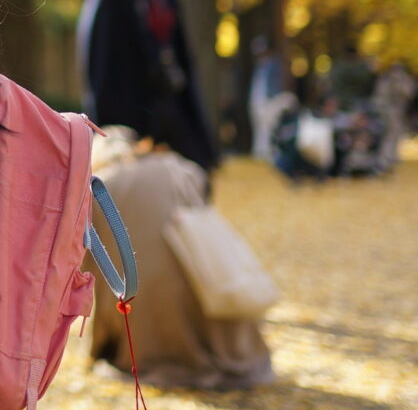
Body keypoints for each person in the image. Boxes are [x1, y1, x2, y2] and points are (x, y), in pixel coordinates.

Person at [84, 129, 275, 389]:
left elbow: (94, 265)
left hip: (144, 304)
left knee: (120, 286)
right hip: (204, 285)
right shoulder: (179, 168)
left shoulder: (102, 185)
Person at [77, 0, 220, 173]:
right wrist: (108, 133)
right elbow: (99, 71)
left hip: (171, 102)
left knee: (196, 170)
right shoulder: (109, 1)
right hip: (132, 112)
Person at [247, 37, 292, 163]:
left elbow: (275, 83)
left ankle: (267, 152)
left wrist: (273, 99)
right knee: (260, 127)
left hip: (268, 100)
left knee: (268, 127)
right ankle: (260, 152)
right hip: (257, 101)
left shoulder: (272, 64)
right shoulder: (260, 66)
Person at [374, 61, 416, 173]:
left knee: (395, 135)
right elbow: (379, 97)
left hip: (399, 111)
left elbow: (410, 93)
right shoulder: (385, 80)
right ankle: (385, 160)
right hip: (387, 112)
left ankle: (390, 158)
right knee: (388, 136)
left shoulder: (404, 80)